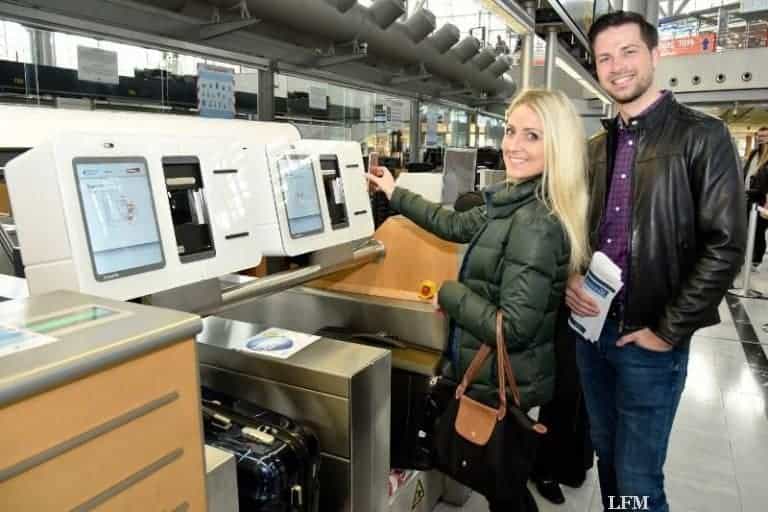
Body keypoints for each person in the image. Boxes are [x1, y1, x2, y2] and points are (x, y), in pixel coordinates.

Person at [367, 89, 590, 512]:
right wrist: (396, 192)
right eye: (510, 131)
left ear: (557, 147)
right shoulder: (511, 200)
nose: (513, 145)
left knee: (500, 481)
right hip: (494, 370)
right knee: (499, 480)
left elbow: (515, 328)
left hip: (505, 376)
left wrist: (451, 294)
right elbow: (451, 224)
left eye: (532, 136)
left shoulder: (536, 223)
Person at [566, 11, 746, 512]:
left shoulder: (701, 137)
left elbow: (726, 244)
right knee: (608, 457)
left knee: (639, 480)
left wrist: (668, 330)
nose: (616, 66)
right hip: (592, 333)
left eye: (628, 52)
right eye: (605, 57)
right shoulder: (597, 147)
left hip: (650, 340)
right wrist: (571, 275)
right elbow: (580, 233)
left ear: (654, 54)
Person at [745, 127, 768, 269]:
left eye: (765, 136)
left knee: (759, 231)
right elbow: (747, 172)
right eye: (759, 136)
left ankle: (756, 259)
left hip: (761, 199)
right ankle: (748, 256)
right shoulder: (754, 153)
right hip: (748, 196)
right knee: (748, 229)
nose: (761, 139)